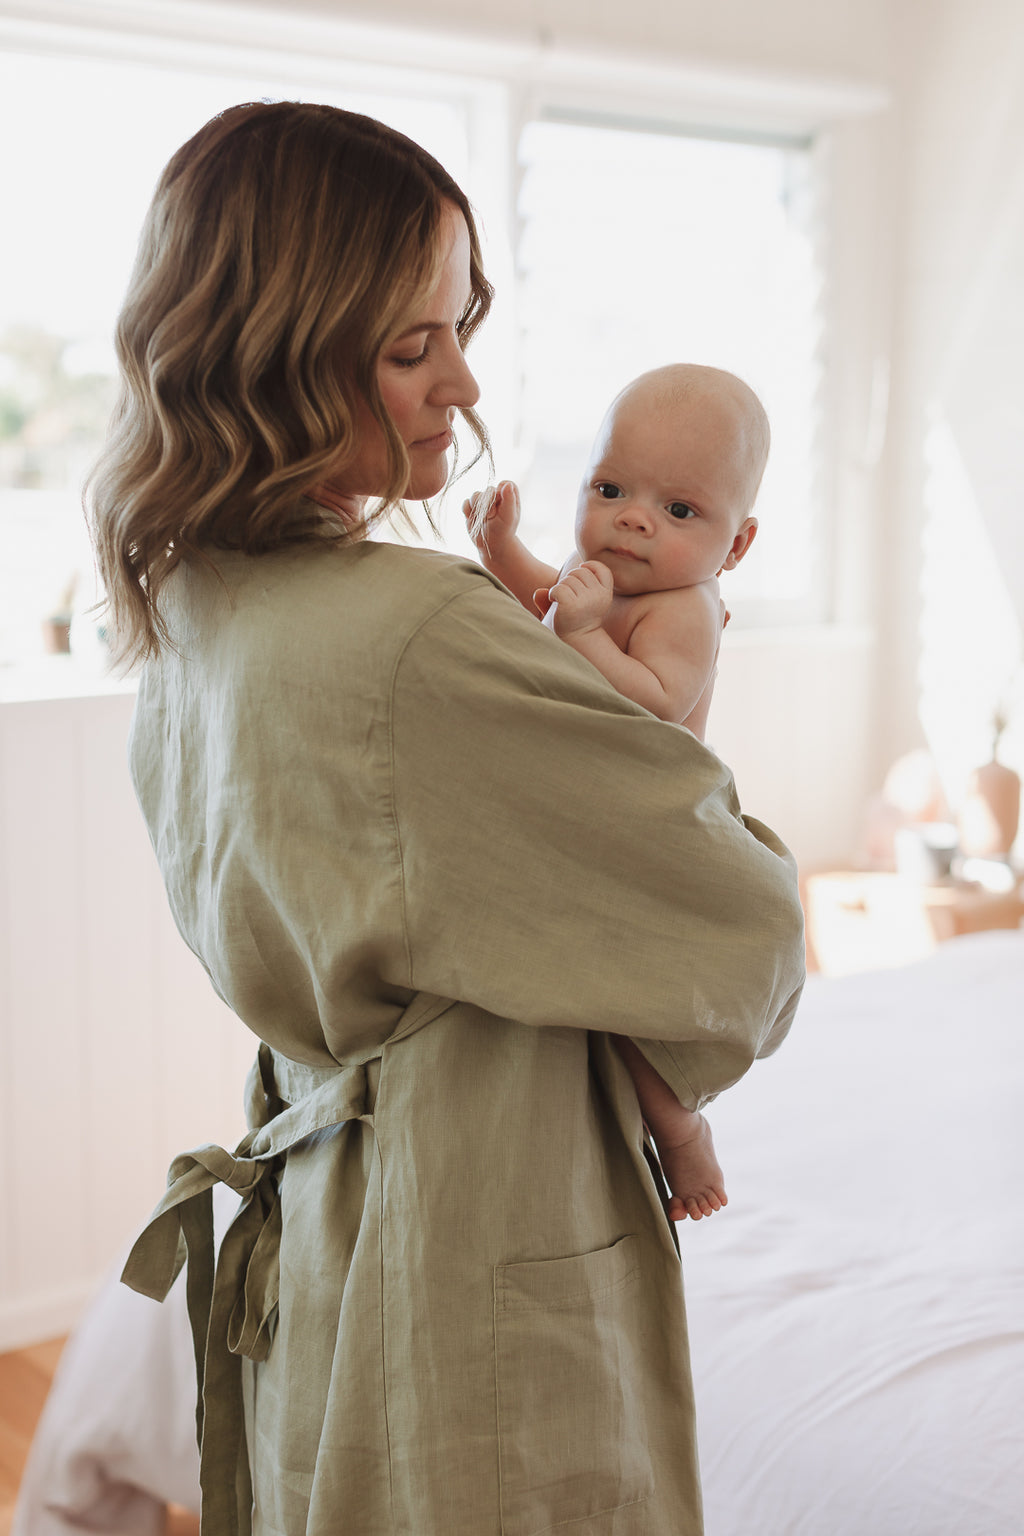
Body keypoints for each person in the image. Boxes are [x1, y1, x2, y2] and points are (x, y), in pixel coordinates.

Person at [87, 100, 805, 1536]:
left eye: (458, 329)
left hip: (327, 1197)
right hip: (473, 1216)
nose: (464, 385)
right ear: (283, 345)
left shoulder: (196, 603)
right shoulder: (418, 635)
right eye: (413, 345)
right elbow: (743, 924)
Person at [463, 364, 768, 1222]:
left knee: (625, 996)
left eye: (679, 510)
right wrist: (501, 549)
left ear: (735, 546)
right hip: (587, 814)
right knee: (564, 971)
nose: (633, 519)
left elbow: (657, 701)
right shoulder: (603, 572)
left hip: (652, 827)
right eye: (610, 487)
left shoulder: (686, 607)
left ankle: (681, 1133)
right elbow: (542, 601)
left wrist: (589, 629)